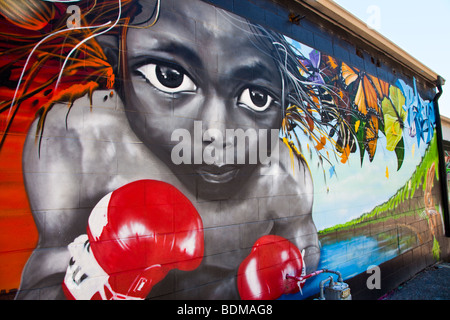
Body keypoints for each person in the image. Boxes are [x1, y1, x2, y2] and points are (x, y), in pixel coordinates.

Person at [12, 0, 330, 299]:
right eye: (169, 77)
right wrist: (99, 276)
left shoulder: (280, 178)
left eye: (256, 98)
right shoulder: (82, 142)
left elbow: (307, 255)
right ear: (119, 62)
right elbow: (40, 283)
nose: (216, 133)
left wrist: (261, 280)